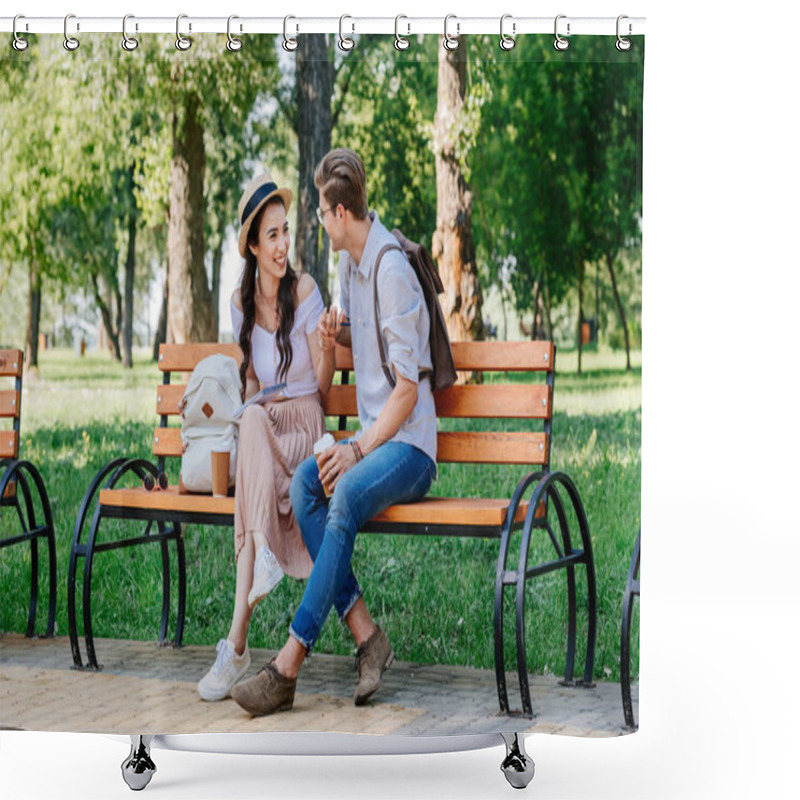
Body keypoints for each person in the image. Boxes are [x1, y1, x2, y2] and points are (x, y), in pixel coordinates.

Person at [231, 148, 437, 716]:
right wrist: (333, 335)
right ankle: (368, 637)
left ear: (342, 213)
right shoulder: (352, 263)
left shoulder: (391, 271)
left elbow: (407, 390)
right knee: (304, 488)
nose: (317, 224)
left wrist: (354, 448)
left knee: (340, 490)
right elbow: (363, 340)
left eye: (321, 213)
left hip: (408, 449)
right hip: (375, 440)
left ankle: (288, 664)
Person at [197, 172, 342, 701]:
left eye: (287, 232)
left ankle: (235, 645)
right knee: (251, 416)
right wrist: (253, 412)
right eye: (273, 236)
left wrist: (326, 348)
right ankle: (255, 577)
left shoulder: (304, 290)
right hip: (265, 426)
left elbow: (321, 392)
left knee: (253, 430)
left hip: (304, 426)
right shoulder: (240, 304)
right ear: (253, 246)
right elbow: (253, 386)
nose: (283, 245)